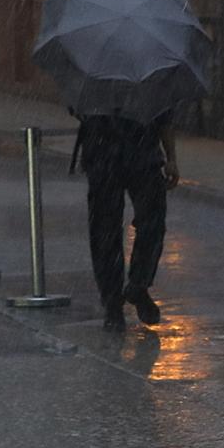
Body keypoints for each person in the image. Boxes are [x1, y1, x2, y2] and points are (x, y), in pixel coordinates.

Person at [75, 111, 180, 332]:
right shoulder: (99, 93)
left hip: (141, 152)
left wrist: (171, 158)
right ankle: (113, 302)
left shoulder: (149, 90)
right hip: (104, 153)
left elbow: (164, 114)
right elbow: (78, 108)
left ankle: (138, 285)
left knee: (152, 222)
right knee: (105, 230)